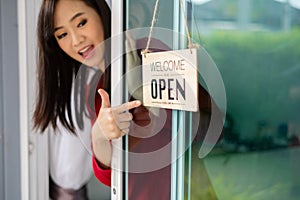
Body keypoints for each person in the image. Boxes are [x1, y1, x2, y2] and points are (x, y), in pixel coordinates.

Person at [34, 0, 219, 199]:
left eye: (81, 23)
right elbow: (111, 175)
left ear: (102, 14)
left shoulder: (151, 53)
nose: (76, 40)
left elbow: (210, 128)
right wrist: (99, 136)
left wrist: (145, 94)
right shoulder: (93, 90)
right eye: (62, 34)